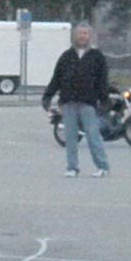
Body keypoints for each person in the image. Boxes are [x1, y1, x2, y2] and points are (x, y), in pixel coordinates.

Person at [42, 22, 111, 177]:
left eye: (85, 33)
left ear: (90, 36)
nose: (82, 36)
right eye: (80, 33)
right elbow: (56, 79)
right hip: (68, 103)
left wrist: (104, 100)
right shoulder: (66, 57)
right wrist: (47, 96)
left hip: (88, 103)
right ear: (74, 36)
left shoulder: (97, 57)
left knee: (93, 136)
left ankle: (102, 166)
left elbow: (102, 81)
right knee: (70, 138)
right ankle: (72, 167)